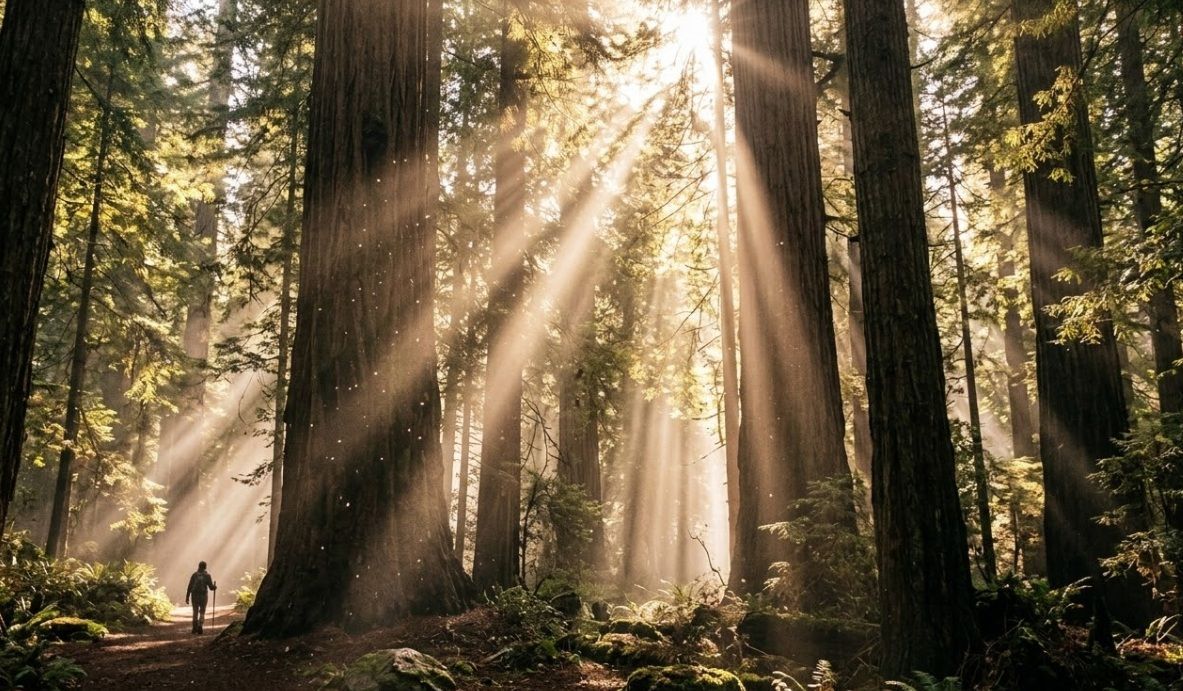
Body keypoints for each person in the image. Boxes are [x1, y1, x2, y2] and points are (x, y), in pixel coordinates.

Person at [185, 561, 217, 634]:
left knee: (195, 611)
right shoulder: (207, 575)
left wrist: (187, 597)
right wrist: (215, 587)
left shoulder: (194, 575)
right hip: (203, 596)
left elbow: (189, 586)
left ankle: (194, 628)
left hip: (194, 595)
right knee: (202, 611)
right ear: (205, 567)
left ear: (198, 566)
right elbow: (211, 588)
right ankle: (200, 626)